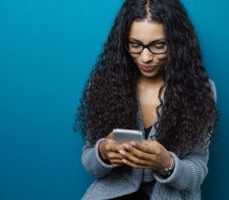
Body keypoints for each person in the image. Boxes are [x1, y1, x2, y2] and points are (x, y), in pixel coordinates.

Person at [74, 0, 219, 199]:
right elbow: (89, 160)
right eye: (135, 45)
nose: (145, 57)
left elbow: (198, 171)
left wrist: (167, 164)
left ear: (176, 43)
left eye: (158, 45)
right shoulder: (103, 84)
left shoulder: (201, 90)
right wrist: (102, 152)